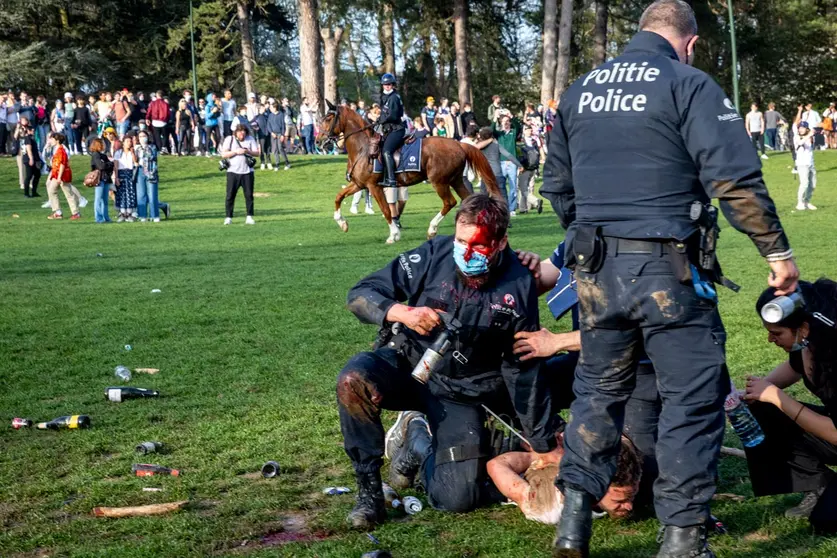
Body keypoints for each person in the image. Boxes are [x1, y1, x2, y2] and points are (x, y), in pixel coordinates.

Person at [540, 2, 799, 556]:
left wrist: (594, 239)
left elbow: (556, 186)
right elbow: (734, 179)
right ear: (691, 42)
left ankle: (574, 523)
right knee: (693, 397)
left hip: (595, 272)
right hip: (668, 271)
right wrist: (777, 253)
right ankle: (681, 538)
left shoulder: (581, 89)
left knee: (597, 391)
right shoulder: (689, 83)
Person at [337, 194, 557, 529]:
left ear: (500, 242)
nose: (465, 252)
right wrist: (404, 313)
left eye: (478, 245)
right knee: (354, 380)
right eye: (460, 240)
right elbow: (361, 295)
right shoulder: (434, 253)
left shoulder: (519, 281)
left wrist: (541, 444)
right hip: (408, 363)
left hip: (461, 390)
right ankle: (369, 494)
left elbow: (522, 366)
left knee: (456, 497)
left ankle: (417, 441)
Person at [743, 280, 837, 531]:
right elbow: (794, 368)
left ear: (803, 329)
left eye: (776, 333)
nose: (769, 339)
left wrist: (777, 397)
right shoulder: (809, 342)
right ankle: (819, 484)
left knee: (826, 521)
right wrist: (751, 393)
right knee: (759, 406)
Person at [487, 433, 642, 524]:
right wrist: (544, 451)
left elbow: (620, 439)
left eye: (631, 497)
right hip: (522, 457)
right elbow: (496, 465)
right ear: (596, 487)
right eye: (620, 501)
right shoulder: (548, 507)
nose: (630, 507)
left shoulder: (631, 478)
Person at [221, 124, 260, 225]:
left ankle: (249, 216)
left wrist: (248, 151)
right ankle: (228, 217)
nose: (242, 134)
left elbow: (257, 153)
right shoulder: (230, 139)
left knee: (249, 195)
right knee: (230, 195)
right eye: (239, 132)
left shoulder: (250, 139)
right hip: (232, 172)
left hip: (247, 172)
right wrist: (235, 152)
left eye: (243, 132)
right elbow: (224, 154)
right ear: (236, 132)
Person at [377, 73, 406, 189]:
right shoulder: (385, 97)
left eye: (389, 84)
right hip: (388, 129)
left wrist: (380, 120)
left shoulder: (394, 97)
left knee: (386, 151)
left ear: (393, 85)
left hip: (396, 129)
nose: (387, 86)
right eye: (384, 84)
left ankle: (391, 179)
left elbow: (393, 116)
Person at [45, 133, 80, 220]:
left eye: (52, 139)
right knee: (51, 190)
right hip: (56, 174)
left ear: (57, 141)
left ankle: (76, 213)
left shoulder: (61, 150)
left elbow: (62, 164)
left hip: (62, 175)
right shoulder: (55, 149)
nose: (51, 141)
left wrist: (59, 177)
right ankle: (58, 212)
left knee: (68, 193)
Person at [492, 114, 522, 215]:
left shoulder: (513, 133)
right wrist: (495, 119)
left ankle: (512, 209)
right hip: (502, 162)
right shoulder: (499, 134)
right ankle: (502, 207)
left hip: (512, 163)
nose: (506, 123)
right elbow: (492, 130)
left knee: (513, 186)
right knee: (501, 186)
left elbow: (518, 126)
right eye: (504, 121)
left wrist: (512, 117)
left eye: (507, 121)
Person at [517, 126, 544, 215]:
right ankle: (524, 208)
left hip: (524, 167)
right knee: (528, 187)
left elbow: (520, 155)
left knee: (523, 188)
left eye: (530, 130)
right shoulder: (534, 141)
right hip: (533, 167)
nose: (530, 131)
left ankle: (535, 201)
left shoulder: (521, 142)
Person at [135, 129, 161, 222]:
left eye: (144, 136)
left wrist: (144, 147)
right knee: (141, 195)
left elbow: (152, 156)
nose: (142, 138)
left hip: (151, 172)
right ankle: (142, 215)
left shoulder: (152, 147)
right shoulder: (137, 148)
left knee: (152, 195)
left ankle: (155, 215)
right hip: (140, 171)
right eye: (140, 136)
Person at [113, 135, 138, 222]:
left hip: (130, 173)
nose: (129, 143)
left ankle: (130, 213)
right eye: (127, 141)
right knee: (121, 193)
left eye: (130, 141)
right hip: (121, 173)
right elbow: (116, 166)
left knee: (130, 192)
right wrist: (116, 177)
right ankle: (122, 213)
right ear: (123, 143)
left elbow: (135, 162)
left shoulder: (132, 152)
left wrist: (133, 153)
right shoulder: (118, 153)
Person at [794, 121, 817, 211]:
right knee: (804, 183)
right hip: (802, 164)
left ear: (807, 129)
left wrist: (813, 134)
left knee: (813, 184)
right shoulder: (797, 137)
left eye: (803, 128)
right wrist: (809, 135)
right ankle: (799, 202)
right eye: (800, 128)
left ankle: (806, 202)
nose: (801, 129)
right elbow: (800, 143)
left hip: (810, 163)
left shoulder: (810, 137)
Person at [89, 138, 113, 223]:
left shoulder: (103, 155)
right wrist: (109, 164)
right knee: (98, 199)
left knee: (105, 200)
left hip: (105, 178)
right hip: (99, 179)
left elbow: (110, 165)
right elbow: (101, 166)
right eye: (102, 143)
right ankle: (98, 218)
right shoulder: (95, 155)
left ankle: (106, 217)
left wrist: (108, 164)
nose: (104, 145)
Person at [266, 100, 291, 171]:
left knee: (280, 148)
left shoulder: (281, 114)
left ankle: (287, 163)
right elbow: (268, 125)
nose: (270, 109)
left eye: (271, 107)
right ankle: (277, 164)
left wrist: (283, 135)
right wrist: (271, 132)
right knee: (275, 150)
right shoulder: (270, 115)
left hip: (280, 134)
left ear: (275, 108)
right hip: (273, 134)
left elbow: (283, 125)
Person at [20, 121, 42, 198]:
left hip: (35, 159)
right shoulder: (27, 138)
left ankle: (34, 192)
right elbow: (28, 149)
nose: (33, 131)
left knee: (37, 175)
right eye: (32, 130)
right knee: (29, 176)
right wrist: (31, 159)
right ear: (28, 131)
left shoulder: (31, 138)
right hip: (29, 159)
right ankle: (26, 193)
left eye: (33, 130)